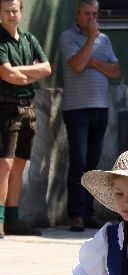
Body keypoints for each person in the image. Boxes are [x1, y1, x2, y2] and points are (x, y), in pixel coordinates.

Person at [60, 0, 121, 233]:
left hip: (100, 108)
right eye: (87, 14)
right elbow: (77, 66)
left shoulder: (104, 39)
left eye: (95, 13)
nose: (92, 18)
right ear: (77, 15)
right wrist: (90, 39)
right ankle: (75, 214)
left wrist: (93, 62)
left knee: (92, 164)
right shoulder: (68, 37)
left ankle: (88, 212)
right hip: (77, 109)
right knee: (78, 162)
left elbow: (116, 71)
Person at [0, 0, 50, 238]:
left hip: (28, 109)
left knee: (19, 163)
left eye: (14, 10)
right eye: (6, 10)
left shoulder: (29, 39)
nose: (11, 14)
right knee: (4, 164)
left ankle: (12, 218)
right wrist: (31, 73)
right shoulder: (0, 40)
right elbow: (6, 73)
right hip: (6, 108)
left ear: (21, 12)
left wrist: (22, 76)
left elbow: (47, 68)